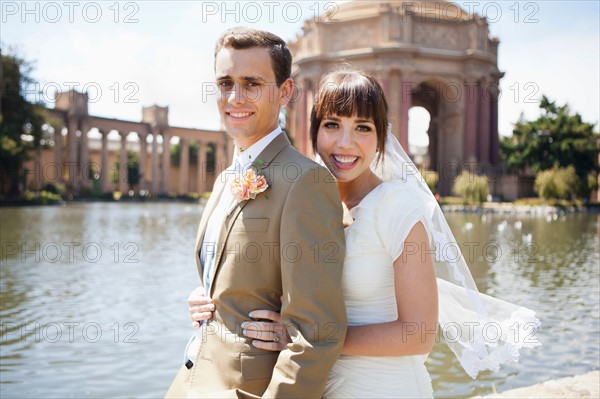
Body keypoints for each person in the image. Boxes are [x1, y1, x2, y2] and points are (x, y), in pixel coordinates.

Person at [230, 68, 541, 398]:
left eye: (362, 128)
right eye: (332, 124)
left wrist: (308, 338)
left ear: (380, 138)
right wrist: (209, 300)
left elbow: (419, 332)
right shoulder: (306, 206)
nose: (345, 143)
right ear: (314, 132)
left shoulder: (397, 206)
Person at [165, 27, 347, 399]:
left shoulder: (306, 182)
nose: (235, 97)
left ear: (285, 92)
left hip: (245, 389)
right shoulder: (224, 180)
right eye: (225, 83)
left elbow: (316, 334)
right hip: (189, 379)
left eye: (252, 84)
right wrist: (208, 296)